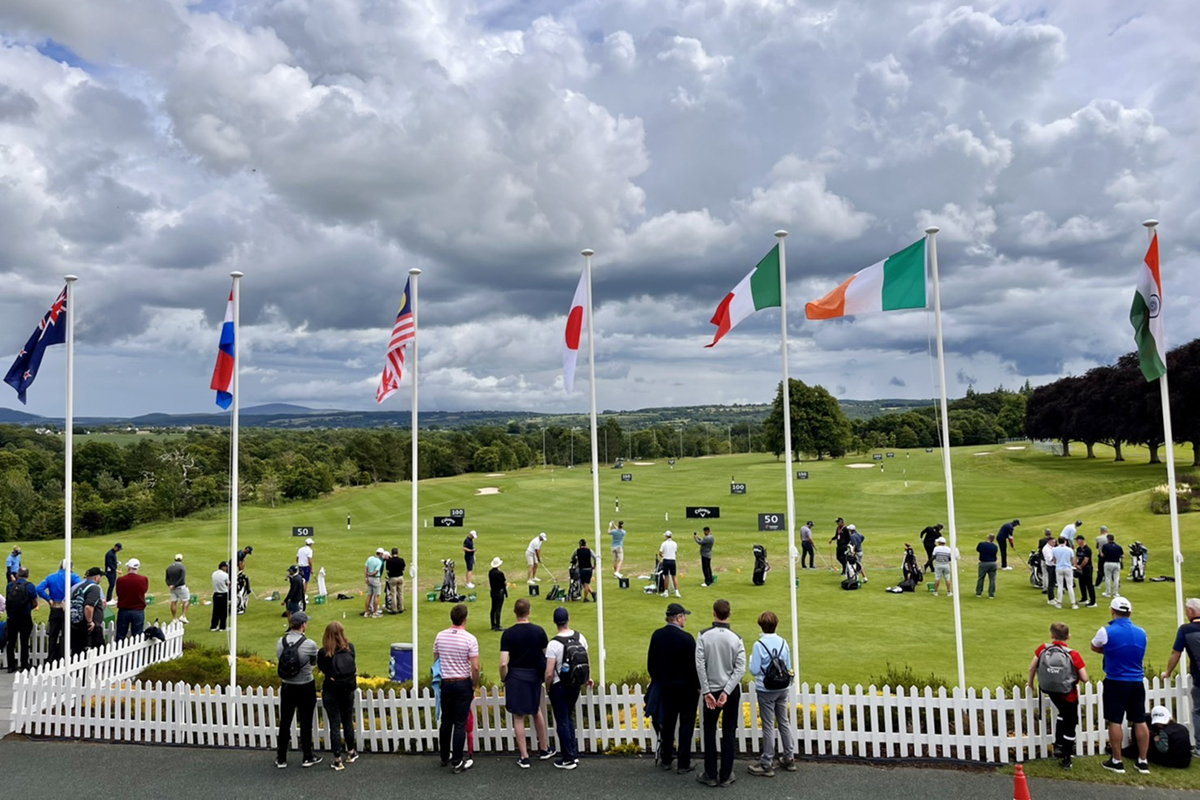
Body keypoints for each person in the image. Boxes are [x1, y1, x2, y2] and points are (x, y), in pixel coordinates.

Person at [1092, 596, 1150, 774]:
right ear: (1130, 612)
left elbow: (1094, 646)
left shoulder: (1106, 631)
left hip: (1116, 681)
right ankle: (1143, 761)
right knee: (1139, 719)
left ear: (1112, 611)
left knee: (1115, 720)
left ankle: (1117, 760)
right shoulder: (1141, 632)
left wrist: (1108, 651)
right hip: (1137, 682)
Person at [695, 598, 745, 788]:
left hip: (713, 689)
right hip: (729, 690)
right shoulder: (736, 638)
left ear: (713, 613)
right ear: (729, 613)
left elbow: (700, 665)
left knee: (709, 731)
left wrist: (707, 691)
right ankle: (725, 775)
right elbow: (740, 669)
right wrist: (726, 691)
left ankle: (710, 774)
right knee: (729, 731)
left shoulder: (703, 636)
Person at [646, 602, 700, 775]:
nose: (685, 619)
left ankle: (667, 758)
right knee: (686, 725)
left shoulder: (657, 636)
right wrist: (698, 686)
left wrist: (660, 680)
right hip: (686, 690)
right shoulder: (687, 639)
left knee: (668, 724)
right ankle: (683, 763)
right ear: (678, 618)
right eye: (684, 616)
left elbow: (651, 665)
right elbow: (695, 668)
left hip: (666, 688)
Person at [500, 598, 553, 767]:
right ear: (528, 611)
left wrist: (504, 677)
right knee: (536, 710)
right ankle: (543, 749)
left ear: (515, 612)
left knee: (518, 715)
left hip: (515, 675)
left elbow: (503, 662)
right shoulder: (539, 631)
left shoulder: (508, 633)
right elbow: (547, 655)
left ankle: (524, 756)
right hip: (533, 675)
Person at [1027, 622, 1088, 770]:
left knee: (1062, 714)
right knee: (1071, 723)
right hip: (1068, 694)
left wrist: (1031, 683)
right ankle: (1066, 757)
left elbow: (1032, 667)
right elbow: (1085, 678)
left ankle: (1058, 745)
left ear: (1051, 635)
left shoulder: (1043, 649)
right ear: (1068, 636)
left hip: (1050, 691)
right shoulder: (1073, 654)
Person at [747, 610, 795, 777]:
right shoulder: (783, 642)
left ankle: (767, 762)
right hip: (782, 687)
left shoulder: (758, 645)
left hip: (766, 688)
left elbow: (754, 670)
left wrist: (752, 659)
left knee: (768, 725)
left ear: (761, 625)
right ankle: (789, 757)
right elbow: (788, 666)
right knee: (784, 721)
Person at [432, 603, 480, 773]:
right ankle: (457, 761)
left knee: (446, 721)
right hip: (462, 682)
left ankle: (445, 756)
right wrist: (474, 683)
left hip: (446, 682)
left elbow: (436, 660)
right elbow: (475, 667)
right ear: (465, 619)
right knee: (460, 723)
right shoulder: (470, 639)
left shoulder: (440, 636)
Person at [545, 605, 589, 770]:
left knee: (562, 720)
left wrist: (548, 687)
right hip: (575, 684)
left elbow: (549, 673)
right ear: (568, 619)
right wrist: (587, 678)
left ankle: (568, 758)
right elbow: (586, 660)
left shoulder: (553, 644)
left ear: (555, 622)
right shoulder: (580, 637)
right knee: (568, 718)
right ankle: (572, 753)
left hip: (559, 685)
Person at [274, 612, 320, 769]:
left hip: (287, 685)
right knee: (306, 721)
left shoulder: (281, 642)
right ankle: (307, 755)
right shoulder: (310, 644)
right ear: (303, 625)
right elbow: (313, 663)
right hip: (305, 685)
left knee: (285, 721)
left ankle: (281, 757)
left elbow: (280, 659)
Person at [1159, 597, 1200, 757]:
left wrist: (1168, 672)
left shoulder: (1186, 629)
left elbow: (1176, 653)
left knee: (1198, 711)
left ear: (1191, 611)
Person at [316, 621, 359, 771]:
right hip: (347, 689)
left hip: (331, 690)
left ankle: (337, 759)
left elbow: (322, 668)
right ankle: (351, 752)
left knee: (334, 724)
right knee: (347, 720)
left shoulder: (323, 653)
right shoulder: (350, 648)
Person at [36, 561, 81, 662]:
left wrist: (48, 599)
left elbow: (39, 588)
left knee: (53, 635)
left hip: (55, 607)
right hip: (67, 607)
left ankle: (51, 658)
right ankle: (62, 657)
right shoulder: (73, 577)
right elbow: (80, 588)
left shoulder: (51, 577)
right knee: (66, 634)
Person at [1127, 706, 1192, 769]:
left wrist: (1155, 740)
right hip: (1186, 761)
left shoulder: (1164, 732)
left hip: (1172, 762)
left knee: (1146, 744)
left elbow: (1162, 749)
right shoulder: (1182, 728)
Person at [4, 567, 37, 672]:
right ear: (27, 575)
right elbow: (35, 602)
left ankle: (11, 665)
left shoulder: (10, 586)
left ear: (18, 574)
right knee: (24, 641)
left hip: (12, 617)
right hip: (24, 617)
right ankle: (24, 664)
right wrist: (28, 608)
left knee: (11, 642)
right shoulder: (30, 586)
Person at [69, 567, 106, 654]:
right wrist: (90, 622)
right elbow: (88, 607)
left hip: (76, 624)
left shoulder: (79, 587)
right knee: (98, 651)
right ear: (96, 577)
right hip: (89, 627)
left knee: (78, 652)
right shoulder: (95, 588)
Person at [114, 557, 148, 641]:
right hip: (138, 610)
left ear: (128, 567)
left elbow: (119, 593)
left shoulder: (120, 580)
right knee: (137, 637)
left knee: (120, 636)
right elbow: (143, 591)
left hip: (124, 610)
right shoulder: (143, 579)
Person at [1052, 536, 1078, 610]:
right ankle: (1073, 603)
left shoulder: (1055, 549)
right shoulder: (1069, 550)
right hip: (1067, 568)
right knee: (1070, 586)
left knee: (1060, 585)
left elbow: (1054, 560)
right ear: (1065, 542)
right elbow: (1073, 561)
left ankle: (1059, 603)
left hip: (1059, 568)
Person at [166, 553, 189, 624]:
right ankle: (183, 616)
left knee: (173, 602)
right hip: (180, 587)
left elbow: (167, 579)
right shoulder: (182, 567)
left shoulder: (169, 568)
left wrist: (170, 585)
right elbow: (182, 579)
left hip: (172, 588)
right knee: (186, 600)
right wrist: (176, 585)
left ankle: (174, 618)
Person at [1074, 535, 1096, 608]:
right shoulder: (1078, 549)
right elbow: (1076, 558)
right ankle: (1084, 598)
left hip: (1087, 568)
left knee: (1089, 584)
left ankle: (1093, 601)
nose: (1077, 542)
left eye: (1078, 540)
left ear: (1082, 540)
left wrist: (1080, 566)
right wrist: (1076, 564)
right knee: (1081, 584)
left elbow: (1086, 560)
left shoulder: (1087, 549)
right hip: (1080, 568)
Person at [975, 533, 998, 599]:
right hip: (993, 563)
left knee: (981, 578)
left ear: (988, 537)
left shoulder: (982, 544)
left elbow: (978, 550)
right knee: (992, 579)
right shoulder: (995, 546)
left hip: (984, 563)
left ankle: (979, 592)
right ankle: (991, 594)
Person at [1100, 534, 1123, 598]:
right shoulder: (1118, 547)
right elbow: (1122, 555)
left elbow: (1102, 555)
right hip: (1116, 563)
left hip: (1108, 563)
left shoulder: (1105, 546)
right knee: (1116, 578)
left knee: (1108, 578)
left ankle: (1108, 592)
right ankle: (1115, 593)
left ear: (1108, 539)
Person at [364, 547, 384, 617]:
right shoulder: (379, 561)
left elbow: (366, 568)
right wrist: (370, 574)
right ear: (381, 554)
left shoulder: (370, 558)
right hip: (375, 579)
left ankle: (367, 612)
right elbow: (376, 572)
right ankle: (375, 613)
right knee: (376, 595)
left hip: (369, 579)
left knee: (369, 595)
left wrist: (366, 577)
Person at [659, 531, 680, 598]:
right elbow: (675, 552)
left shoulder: (664, 543)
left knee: (666, 576)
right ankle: (677, 591)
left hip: (666, 560)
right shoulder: (674, 543)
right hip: (673, 560)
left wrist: (663, 556)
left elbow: (660, 552)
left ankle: (666, 591)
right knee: (674, 576)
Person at [488, 557, 507, 632]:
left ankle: (493, 624)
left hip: (493, 591)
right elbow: (503, 582)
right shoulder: (500, 573)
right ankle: (498, 625)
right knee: (498, 609)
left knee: (493, 608)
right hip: (499, 592)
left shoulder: (491, 572)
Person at [210, 561, 230, 632]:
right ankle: (222, 627)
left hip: (216, 594)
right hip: (223, 594)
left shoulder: (214, 574)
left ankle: (213, 626)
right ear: (223, 567)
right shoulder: (225, 575)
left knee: (215, 611)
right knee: (223, 611)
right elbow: (228, 584)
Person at [385, 548, 406, 614]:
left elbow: (387, 569)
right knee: (400, 593)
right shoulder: (401, 560)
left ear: (391, 553)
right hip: (400, 577)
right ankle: (401, 608)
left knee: (393, 594)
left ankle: (394, 609)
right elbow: (403, 568)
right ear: (397, 553)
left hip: (393, 578)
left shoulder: (389, 561)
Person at [1040, 532, 1057, 604]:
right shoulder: (1046, 549)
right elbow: (1050, 559)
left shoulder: (1052, 547)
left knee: (1053, 582)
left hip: (1054, 566)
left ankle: (1052, 597)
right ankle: (1050, 599)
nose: (1054, 543)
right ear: (1049, 542)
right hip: (1050, 566)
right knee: (1051, 582)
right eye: (1053, 542)